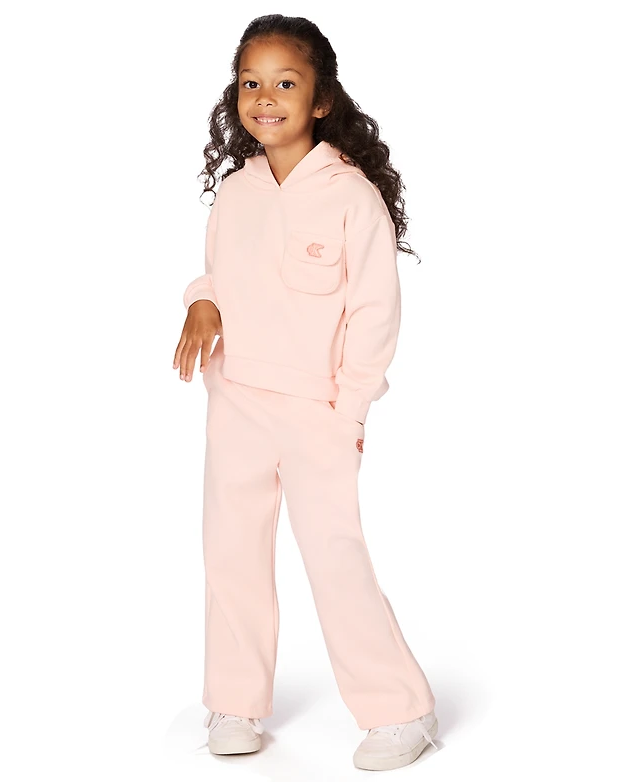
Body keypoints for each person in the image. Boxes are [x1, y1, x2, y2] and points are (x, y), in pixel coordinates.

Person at [172, 14, 439, 772]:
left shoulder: (352, 197)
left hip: (319, 409)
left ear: (320, 100)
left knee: (333, 558)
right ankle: (234, 700)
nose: (265, 97)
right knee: (230, 553)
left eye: (285, 83)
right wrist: (201, 300)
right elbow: (220, 271)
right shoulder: (237, 191)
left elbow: (375, 313)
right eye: (250, 82)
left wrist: (349, 411)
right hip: (236, 400)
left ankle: (401, 709)